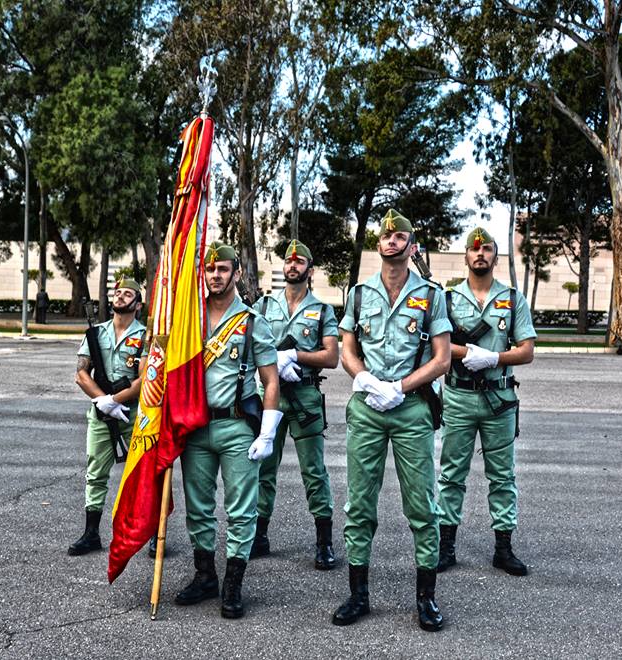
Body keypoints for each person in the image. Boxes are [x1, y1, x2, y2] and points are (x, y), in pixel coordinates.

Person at [333, 210, 451, 632]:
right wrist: (364, 378)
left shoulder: (431, 295)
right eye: (385, 236)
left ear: (411, 246)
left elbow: (442, 358)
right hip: (367, 407)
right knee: (359, 504)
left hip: (411, 407)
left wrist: (399, 387)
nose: (391, 241)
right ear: (378, 244)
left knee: (422, 505)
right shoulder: (359, 294)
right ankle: (358, 594)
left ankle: (426, 598)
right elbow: (347, 350)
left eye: (400, 236)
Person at [174, 242, 282, 619]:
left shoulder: (252, 321)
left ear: (237, 273)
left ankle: (233, 583)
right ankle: (205, 575)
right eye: (210, 269)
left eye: (222, 269)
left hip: (237, 426)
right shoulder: (189, 320)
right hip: (196, 426)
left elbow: (270, 380)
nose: (215, 275)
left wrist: (267, 431)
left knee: (241, 509)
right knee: (198, 507)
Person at [436, 227, 536, 577]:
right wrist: (468, 353)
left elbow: (526, 351)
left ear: (496, 256)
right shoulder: (447, 299)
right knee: (451, 474)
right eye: (474, 249)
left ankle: (503, 549)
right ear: (466, 255)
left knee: (502, 476)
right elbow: (437, 346)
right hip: (459, 397)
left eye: (487, 249)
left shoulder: (512, 298)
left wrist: (493, 358)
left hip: (499, 399)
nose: (480, 254)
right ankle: (446, 546)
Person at [252, 240, 340, 569]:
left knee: (314, 471)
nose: (293, 266)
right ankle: (259, 534)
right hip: (270, 395)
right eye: (289, 261)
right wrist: (272, 361)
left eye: (299, 262)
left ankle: (324, 541)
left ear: (310, 270)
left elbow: (331, 357)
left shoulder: (323, 310)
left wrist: (295, 356)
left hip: (305, 395)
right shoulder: (264, 306)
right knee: (263, 468)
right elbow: (249, 345)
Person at [68, 279, 146, 556]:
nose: (121, 296)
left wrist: (116, 401)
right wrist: (103, 401)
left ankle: (149, 532)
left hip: (133, 414)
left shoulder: (145, 336)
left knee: (143, 474)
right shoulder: (95, 333)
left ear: (138, 305)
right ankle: (91, 533)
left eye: (128, 294)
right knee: (95, 473)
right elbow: (81, 374)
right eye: (118, 292)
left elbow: (145, 379)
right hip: (101, 414)